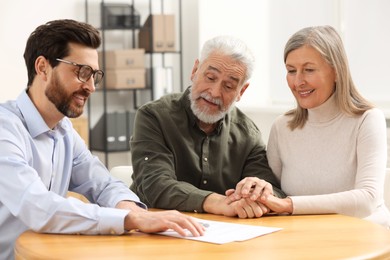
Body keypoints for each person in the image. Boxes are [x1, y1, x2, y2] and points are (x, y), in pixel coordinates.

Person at [0, 19, 205, 260]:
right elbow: (36, 206)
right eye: (81, 72)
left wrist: (131, 210)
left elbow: (103, 184)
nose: (91, 87)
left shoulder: (64, 132)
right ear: (43, 67)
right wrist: (129, 218)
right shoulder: (6, 129)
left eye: (94, 75)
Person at [229, 25, 390, 228]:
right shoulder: (282, 127)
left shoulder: (367, 119)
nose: (298, 82)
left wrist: (288, 205)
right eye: (291, 71)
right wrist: (253, 193)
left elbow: (368, 200)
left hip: (363, 237)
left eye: (309, 70)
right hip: (305, 237)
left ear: (337, 72)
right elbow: (273, 192)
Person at [130, 35, 285, 218]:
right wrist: (217, 202)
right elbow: (154, 184)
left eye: (228, 86)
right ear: (195, 70)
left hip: (226, 236)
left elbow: (274, 191)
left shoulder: (247, 134)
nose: (214, 92)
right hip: (156, 230)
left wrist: (260, 193)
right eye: (210, 77)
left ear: (241, 92)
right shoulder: (154, 116)